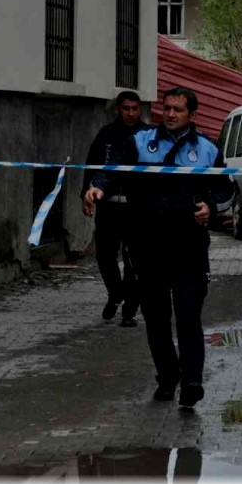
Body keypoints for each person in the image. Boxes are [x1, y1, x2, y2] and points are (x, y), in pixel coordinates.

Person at [84, 87, 233, 407]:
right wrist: (97, 187)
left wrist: (211, 206)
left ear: (192, 115)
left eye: (178, 109)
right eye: (166, 108)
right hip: (148, 246)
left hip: (189, 247)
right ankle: (168, 376)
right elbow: (113, 169)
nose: (170, 114)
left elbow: (226, 190)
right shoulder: (141, 142)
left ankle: (192, 380)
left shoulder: (207, 150)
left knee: (189, 313)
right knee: (156, 317)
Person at [83, 91, 149, 327]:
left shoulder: (148, 136)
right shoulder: (106, 135)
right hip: (108, 206)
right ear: (118, 110)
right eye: (126, 108)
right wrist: (86, 195)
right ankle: (116, 292)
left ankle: (129, 311)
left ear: (140, 109)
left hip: (137, 208)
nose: (130, 113)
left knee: (135, 261)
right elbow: (91, 166)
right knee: (104, 255)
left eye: (134, 108)